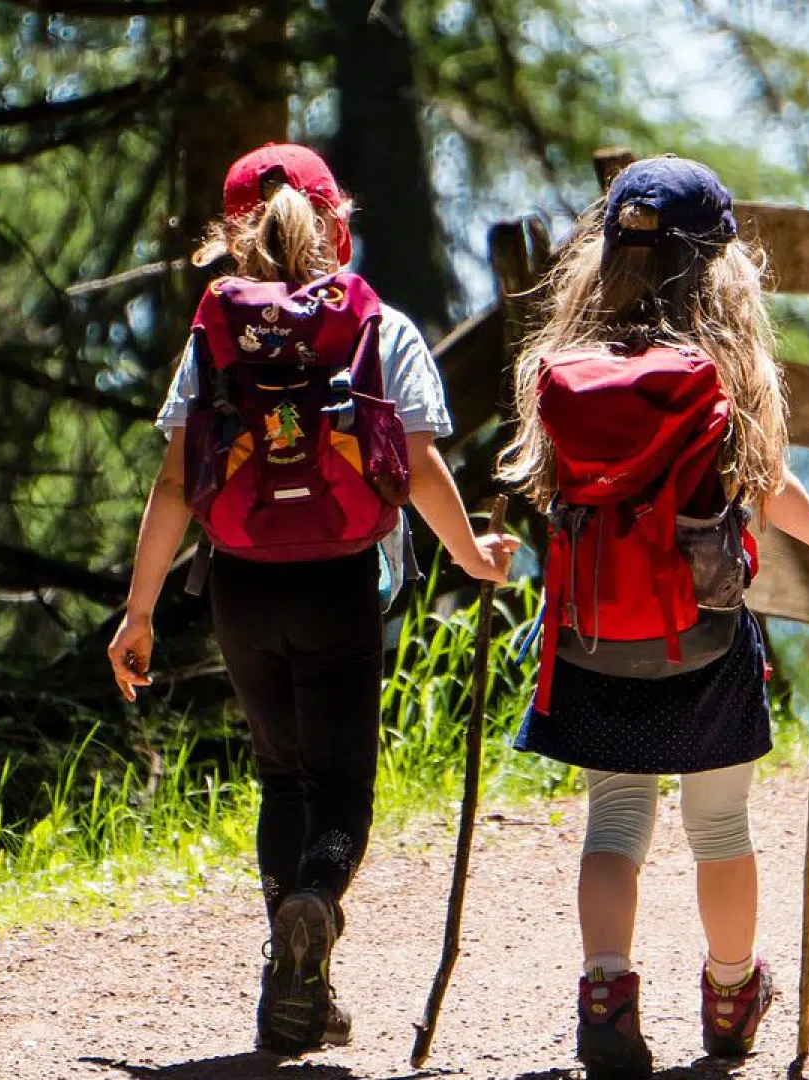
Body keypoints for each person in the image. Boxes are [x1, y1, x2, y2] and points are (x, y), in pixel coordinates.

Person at [106, 143, 518, 1056]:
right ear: (338, 224)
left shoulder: (212, 338)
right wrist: (474, 557)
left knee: (280, 777)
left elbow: (176, 484)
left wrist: (138, 614)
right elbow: (414, 467)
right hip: (341, 581)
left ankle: (294, 986)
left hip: (242, 584)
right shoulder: (377, 326)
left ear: (230, 234)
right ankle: (315, 904)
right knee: (343, 789)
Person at [497, 156, 809, 1079]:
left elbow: (544, 493)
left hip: (588, 643)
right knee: (720, 826)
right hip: (699, 643)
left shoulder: (560, 368)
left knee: (614, 822)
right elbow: (764, 484)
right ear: (720, 265)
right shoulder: (721, 371)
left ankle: (605, 992)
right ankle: (734, 993)